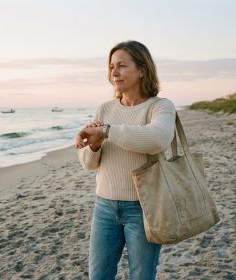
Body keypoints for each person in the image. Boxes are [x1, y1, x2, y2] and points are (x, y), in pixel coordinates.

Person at [75, 40, 176, 279]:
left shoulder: (160, 107)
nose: (114, 72)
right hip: (104, 207)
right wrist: (96, 145)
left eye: (121, 65)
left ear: (142, 70)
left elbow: (157, 139)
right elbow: (88, 165)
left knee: (141, 275)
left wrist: (107, 131)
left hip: (143, 208)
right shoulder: (104, 109)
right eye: (111, 67)